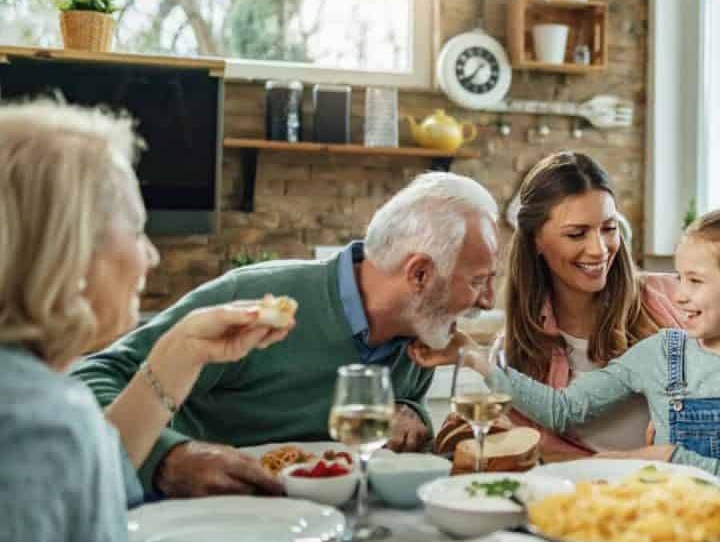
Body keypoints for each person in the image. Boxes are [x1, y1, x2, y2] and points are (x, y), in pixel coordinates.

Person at [0, 100, 277, 542]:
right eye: (136, 228)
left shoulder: (27, 394)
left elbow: (83, 485)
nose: (150, 256)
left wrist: (181, 352)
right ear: (69, 248)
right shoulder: (37, 421)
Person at [73, 171, 500, 498]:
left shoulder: (422, 332)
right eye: (480, 281)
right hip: (194, 522)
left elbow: (402, 418)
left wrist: (412, 418)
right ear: (419, 273)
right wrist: (168, 457)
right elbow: (89, 381)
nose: (488, 301)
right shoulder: (257, 298)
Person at [415, 207, 720, 491]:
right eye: (680, 279)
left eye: (695, 282)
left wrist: (668, 456)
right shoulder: (663, 353)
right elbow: (563, 409)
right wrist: (476, 359)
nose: (680, 296)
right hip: (656, 522)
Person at [502, 151, 684, 455]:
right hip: (580, 495)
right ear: (535, 240)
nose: (599, 249)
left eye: (609, 229)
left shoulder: (676, 298)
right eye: (577, 234)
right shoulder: (516, 350)